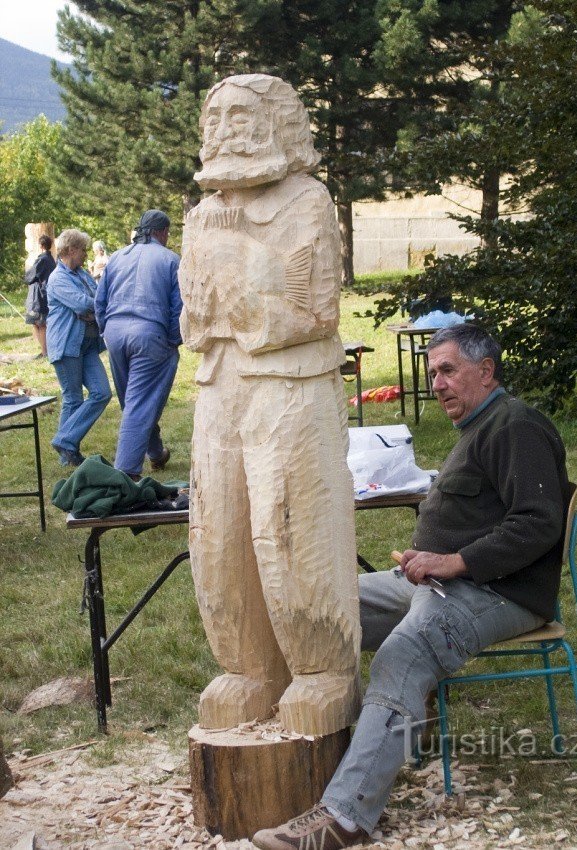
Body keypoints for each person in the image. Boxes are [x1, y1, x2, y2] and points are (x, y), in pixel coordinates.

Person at [252, 323, 571, 850]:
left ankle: (344, 817)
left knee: (405, 651)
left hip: (500, 593)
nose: (438, 383)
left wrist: (454, 560)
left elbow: (539, 522)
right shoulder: (481, 427)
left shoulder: (516, 425)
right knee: (326, 606)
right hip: (442, 583)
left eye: (448, 370)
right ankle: (370, 736)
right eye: (432, 373)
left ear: (486, 370)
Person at [179, 75, 360, 733]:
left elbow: (315, 308)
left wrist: (236, 263)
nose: (226, 127)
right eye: (216, 114)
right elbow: (193, 315)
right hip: (219, 383)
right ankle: (247, 666)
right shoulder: (199, 214)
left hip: (289, 383)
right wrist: (218, 284)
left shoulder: (306, 201)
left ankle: (322, 671)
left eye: (241, 114)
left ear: (279, 124)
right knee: (218, 532)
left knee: (291, 526)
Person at [95, 210, 182, 480]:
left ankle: (156, 453)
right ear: (162, 232)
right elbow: (178, 307)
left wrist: (106, 331)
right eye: (168, 233)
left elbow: (100, 302)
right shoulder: (170, 259)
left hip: (115, 333)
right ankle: (127, 472)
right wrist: (173, 340)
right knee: (140, 401)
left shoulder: (117, 256)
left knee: (133, 400)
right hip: (149, 334)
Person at [46, 230, 112, 466]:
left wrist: (91, 312)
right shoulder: (58, 279)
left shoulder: (81, 274)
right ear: (71, 250)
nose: (85, 255)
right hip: (66, 346)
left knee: (102, 393)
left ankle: (65, 441)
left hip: (87, 346)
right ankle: (67, 455)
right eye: (83, 250)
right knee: (73, 399)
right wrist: (91, 309)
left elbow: (98, 299)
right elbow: (83, 302)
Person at [24, 234, 56, 357]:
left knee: (41, 324)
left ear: (41, 246)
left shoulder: (42, 259)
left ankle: (45, 352)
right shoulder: (51, 259)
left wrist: (27, 275)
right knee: (36, 323)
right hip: (45, 294)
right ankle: (44, 350)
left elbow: (31, 276)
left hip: (39, 296)